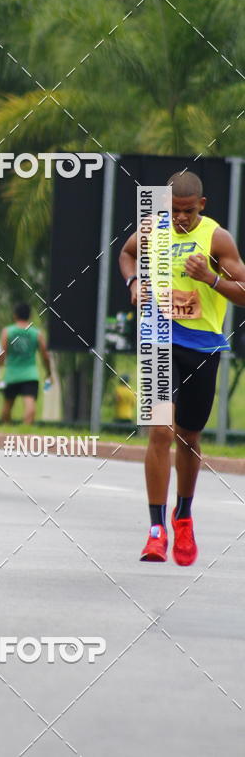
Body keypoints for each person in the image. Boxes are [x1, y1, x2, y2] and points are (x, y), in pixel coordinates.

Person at [119, 171, 245, 565]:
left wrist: (210, 278)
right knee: (160, 431)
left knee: (189, 438)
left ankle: (184, 515)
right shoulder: (151, 230)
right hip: (159, 338)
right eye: (173, 211)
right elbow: (126, 253)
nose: (180, 219)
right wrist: (135, 283)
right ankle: (155, 529)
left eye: (187, 211)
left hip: (203, 346)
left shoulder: (216, 237)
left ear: (201, 206)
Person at [0, 304, 51, 424]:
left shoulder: (7, 331)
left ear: (15, 315)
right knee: (29, 402)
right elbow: (45, 355)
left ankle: (5, 429)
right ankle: (25, 430)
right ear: (30, 316)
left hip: (12, 373)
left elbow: (2, 353)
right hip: (30, 374)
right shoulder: (36, 333)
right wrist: (48, 371)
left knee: (8, 403)